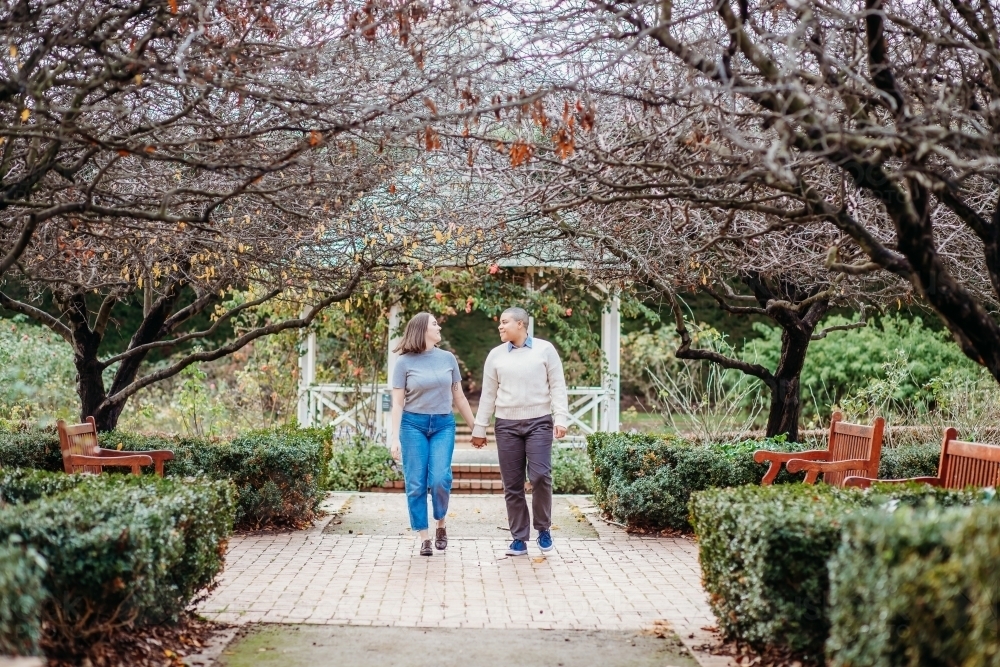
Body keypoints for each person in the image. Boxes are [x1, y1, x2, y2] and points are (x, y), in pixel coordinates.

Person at [471, 307, 570, 556]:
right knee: (512, 484)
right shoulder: (495, 356)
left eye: (505, 322)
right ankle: (519, 538)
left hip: (539, 422)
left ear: (521, 324)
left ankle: (543, 529)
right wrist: (479, 428)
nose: (500, 327)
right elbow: (488, 395)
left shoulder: (545, 350)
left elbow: (558, 386)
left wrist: (561, 418)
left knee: (540, 477)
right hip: (506, 425)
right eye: (500, 323)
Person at [390, 312, 477, 556]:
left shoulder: (448, 358)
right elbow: (397, 403)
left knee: (440, 478)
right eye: (435, 324)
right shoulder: (404, 363)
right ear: (422, 330)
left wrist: (475, 428)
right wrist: (394, 437)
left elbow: (458, 396)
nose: (439, 327)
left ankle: (441, 523)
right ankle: (424, 537)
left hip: (443, 425)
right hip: (412, 426)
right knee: (416, 483)